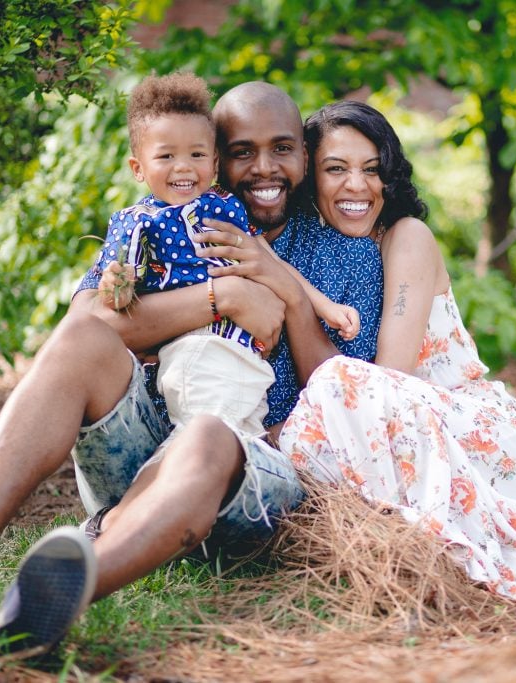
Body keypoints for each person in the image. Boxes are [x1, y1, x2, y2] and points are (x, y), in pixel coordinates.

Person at [0, 83, 382, 654]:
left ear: (303, 155)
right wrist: (222, 295)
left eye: (282, 148)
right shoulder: (170, 222)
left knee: (207, 433)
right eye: (240, 151)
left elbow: (345, 398)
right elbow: (88, 321)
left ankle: (62, 588)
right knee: (85, 337)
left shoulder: (345, 252)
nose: (263, 167)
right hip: (140, 447)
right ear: (215, 157)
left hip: (250, 472)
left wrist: (290, 296)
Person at [279, 101, 516, 602]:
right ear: (312, 178)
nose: (358, 186)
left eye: (372, 170)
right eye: (337, 169)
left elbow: (388, 377)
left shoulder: (406, 237)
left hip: (473, 429)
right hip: (402, 434)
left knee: (335, 385)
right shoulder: (320, 249)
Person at [91, 72, 359, 455]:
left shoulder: (223, 209)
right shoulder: (137, 222)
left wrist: (321, 305)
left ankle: (194, 490)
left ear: (211, 162)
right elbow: (99, 308)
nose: (183, 168)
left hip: (240, 358)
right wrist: (222, 295)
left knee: (231, 444)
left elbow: (267, 258)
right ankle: (173, 493)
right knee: (207, 443)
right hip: (181, 361)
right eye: (167, 156)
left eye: (196, 155)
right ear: (138, 168)